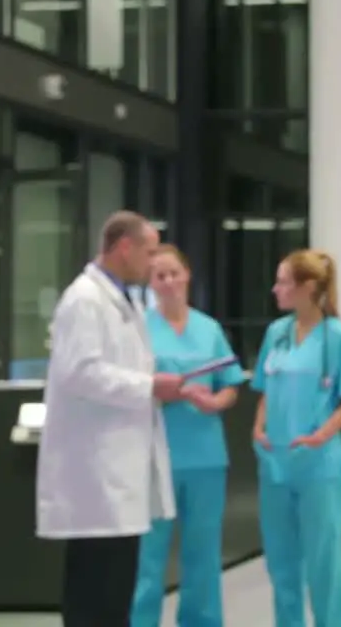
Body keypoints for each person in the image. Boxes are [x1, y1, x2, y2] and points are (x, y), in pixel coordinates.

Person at [37, 211, 186, 626]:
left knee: (114, 595)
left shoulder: (122, 300)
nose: (153, 262)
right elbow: (80, 372)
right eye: (149, 251)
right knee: (95, 598)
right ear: (124, 247)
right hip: (95, 477)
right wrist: (149, 386)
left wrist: (148, 386)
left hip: (116, 476)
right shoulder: (84, 299)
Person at [131, 245, 246, 627]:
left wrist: (216, 402)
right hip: (155, 455)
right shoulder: (140, 330)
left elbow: (231, 384)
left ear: (187, 276)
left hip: (206, 457)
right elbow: (128, 385)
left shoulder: (208, 329)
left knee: (203, 554)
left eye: (173, 274)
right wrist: (164, 392)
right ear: (150, 282)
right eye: (158, 276)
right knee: (149, 557)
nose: (167, 282)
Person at [252, 249, 341, 627]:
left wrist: (319, 437)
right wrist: (258, 428)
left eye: (283, 281)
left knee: (323, 566)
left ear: (308, 287)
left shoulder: (337, 338)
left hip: (320, 468)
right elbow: (266, 386)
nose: (275, 289)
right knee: (281, 565)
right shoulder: (276, 333)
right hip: (275, 464)